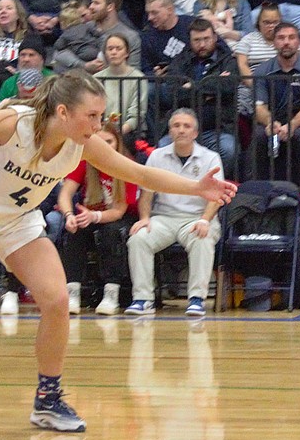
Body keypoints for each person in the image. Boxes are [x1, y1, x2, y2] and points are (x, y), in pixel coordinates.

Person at [0, 70, 236, 432]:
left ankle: (47, 400)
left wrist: (197, 188)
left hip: (17, 218)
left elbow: (139, 175)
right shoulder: (13, 123)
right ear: (64, 112)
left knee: (55, 300)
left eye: (102, 116)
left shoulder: (84, 142)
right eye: (93, 116)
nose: (99, 124)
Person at [125, 108, 224, 318]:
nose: (181, 130)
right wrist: (144, 218)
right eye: (176, 126)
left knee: (202, 239)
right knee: (138, 239)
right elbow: (146, 193)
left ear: (195, 133)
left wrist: (205, 220)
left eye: (186, 126)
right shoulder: (157, 157)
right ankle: (143, 299)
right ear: (170, 131)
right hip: (164, 218)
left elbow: (216, 196)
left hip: (198, 217)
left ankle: (196, 300)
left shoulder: (211, 158)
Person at [58, 123, 137, 315]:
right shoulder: (85, 162)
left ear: (117, 142)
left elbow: (118, 211)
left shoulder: (127, 165)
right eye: (99, 142)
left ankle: (111, 293)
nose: (104, 146)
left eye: (109, 141)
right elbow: (64, 194)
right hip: (91, 215)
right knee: (74, 229)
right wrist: (69, 216)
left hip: (122, 218)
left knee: (111, 232)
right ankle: (72, 292)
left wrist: (94, 216)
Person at [160, 18, 238, 177]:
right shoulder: (180, 60)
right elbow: (172, 93)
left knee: (229, 149)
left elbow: (228, 88)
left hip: (217, 129)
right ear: (190, 41)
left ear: (215, 38)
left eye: (206, 39)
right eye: (197, 40)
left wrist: (192, 88)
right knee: (163, 146)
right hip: (183, 128)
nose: (202, 44)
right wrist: (209, 91)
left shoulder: (228, 61)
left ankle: (216, 187)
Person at [251, 21, 300, 189]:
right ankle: (257, 193)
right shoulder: (262, 71)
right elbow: (259, 107)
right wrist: (270, 122)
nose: (286, 42)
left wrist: (292, 125)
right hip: (273, 121)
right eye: (281, 38)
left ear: (299, 42)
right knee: (259, 135)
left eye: (291, 37)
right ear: (274, 42)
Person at [95, 31, 146, 136]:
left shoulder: (139, 78)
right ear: (105, 53)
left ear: (127, 53)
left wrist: (119, 132)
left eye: (118, 48)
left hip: (129, 133)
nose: (114, 52)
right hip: (100, 131)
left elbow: (137, 112)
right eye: (110, 49)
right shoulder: (96, 79)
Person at [139, 0, 193, 76]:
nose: (150, 18)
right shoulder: (147, 36)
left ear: (170, 10)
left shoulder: (191, 25)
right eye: (148, 13)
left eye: (154, 12)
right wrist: (154, 74)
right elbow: (145, 69)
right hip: (163, 84)